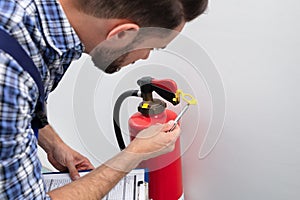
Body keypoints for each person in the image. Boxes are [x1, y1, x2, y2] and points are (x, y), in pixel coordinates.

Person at [0, 0, 208, 199]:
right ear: (122, 35)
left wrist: (54, 144)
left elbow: (21, 108)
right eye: (152, 47)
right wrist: (134, 153)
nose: (145, 57)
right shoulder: (8, 77)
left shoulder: (41, 24)